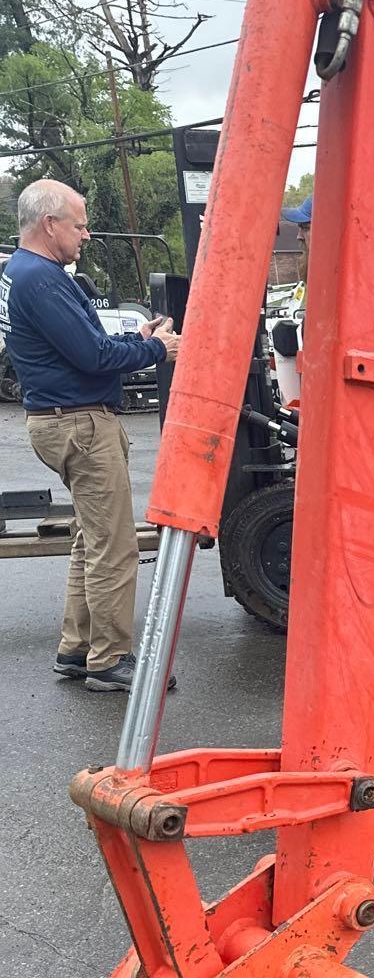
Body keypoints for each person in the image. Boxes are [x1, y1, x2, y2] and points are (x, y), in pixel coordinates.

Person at [0, 179, 180, 693]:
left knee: (90, 541)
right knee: (115, 547)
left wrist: (136, 338)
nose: (85, 234)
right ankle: (110, 659)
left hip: (60, 419)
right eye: (78, 225)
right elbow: (94, 358)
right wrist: (158, 352)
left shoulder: (28, 272)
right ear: (49, 224)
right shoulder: (41, 280)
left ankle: (76, 649)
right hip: (80, 424)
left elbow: (86, 343)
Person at [284, 189, 374, 678]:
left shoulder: (354, 280)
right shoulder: (335, 279)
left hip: (365, 431)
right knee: (354, 537)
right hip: (352, 426)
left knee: (370, 536)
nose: (299, 235)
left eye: (306, 227)